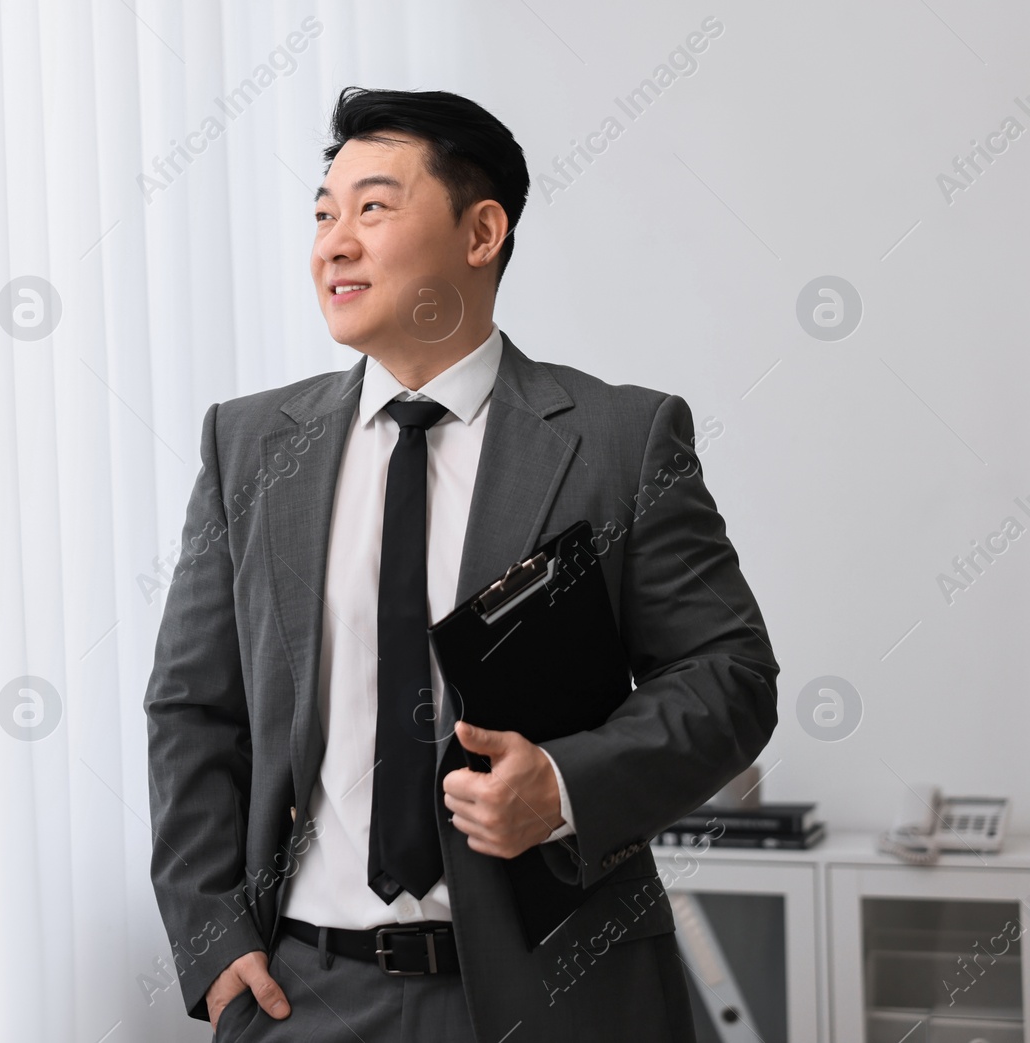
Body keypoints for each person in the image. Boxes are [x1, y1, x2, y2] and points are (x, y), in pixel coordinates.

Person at [144, 86, 778, 1042]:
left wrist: (563, 787)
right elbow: (194, 706)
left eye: (373, 207)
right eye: (322, 214)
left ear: (481, 233)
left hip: (561, 991)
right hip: (304, 993)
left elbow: (730, 678)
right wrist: (209, 930)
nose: (333, 243)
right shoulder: (247, 446)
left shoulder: (618, 440)